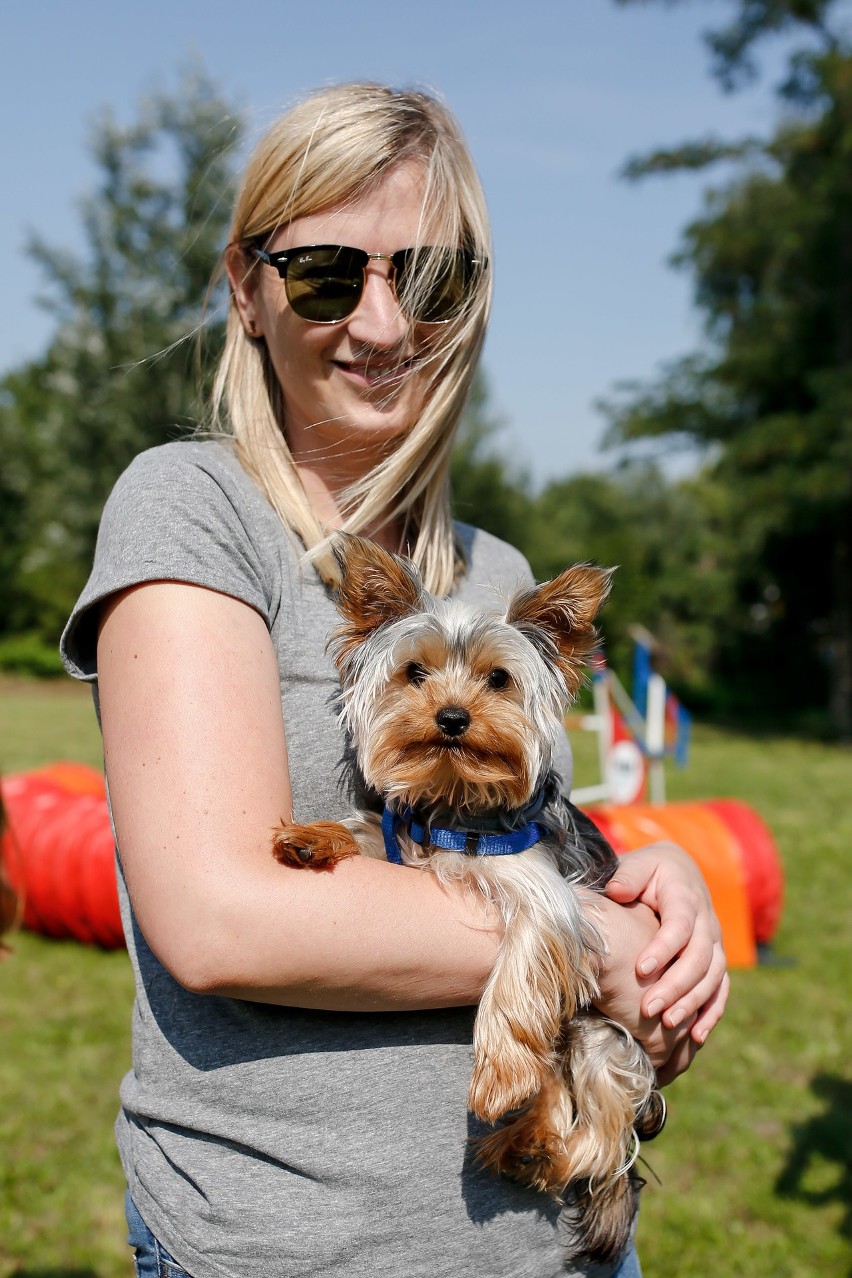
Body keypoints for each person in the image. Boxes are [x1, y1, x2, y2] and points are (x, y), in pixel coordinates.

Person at [61, 83, 728, 1278]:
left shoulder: (497, 568)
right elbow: (224, 920)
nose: (381, 323)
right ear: (246, 289)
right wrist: (585, 939)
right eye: (326, 273)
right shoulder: (192, 507)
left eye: (426, 281)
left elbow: (525, 834)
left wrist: (647, 876)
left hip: (563, 1239)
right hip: (308, 1248)